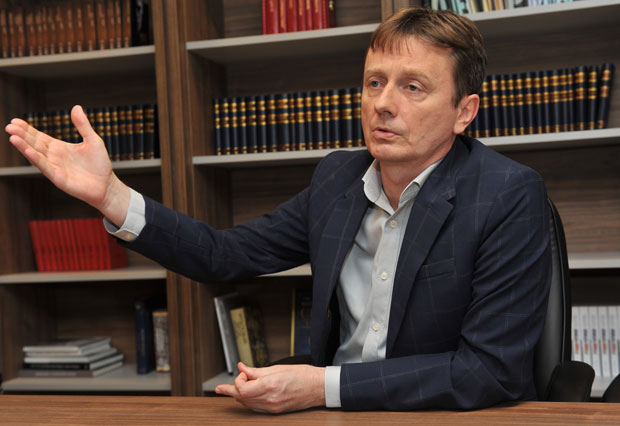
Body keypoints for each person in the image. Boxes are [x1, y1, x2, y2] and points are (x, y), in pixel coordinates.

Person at [5, 8, 551, 414]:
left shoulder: (507, 194)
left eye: (413, 87)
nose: (384, 104)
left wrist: (319, 386)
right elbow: (224, 255)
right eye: (374, 83)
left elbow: (488, 372)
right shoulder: (337, 178)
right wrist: (111, 196)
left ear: (464, 112)